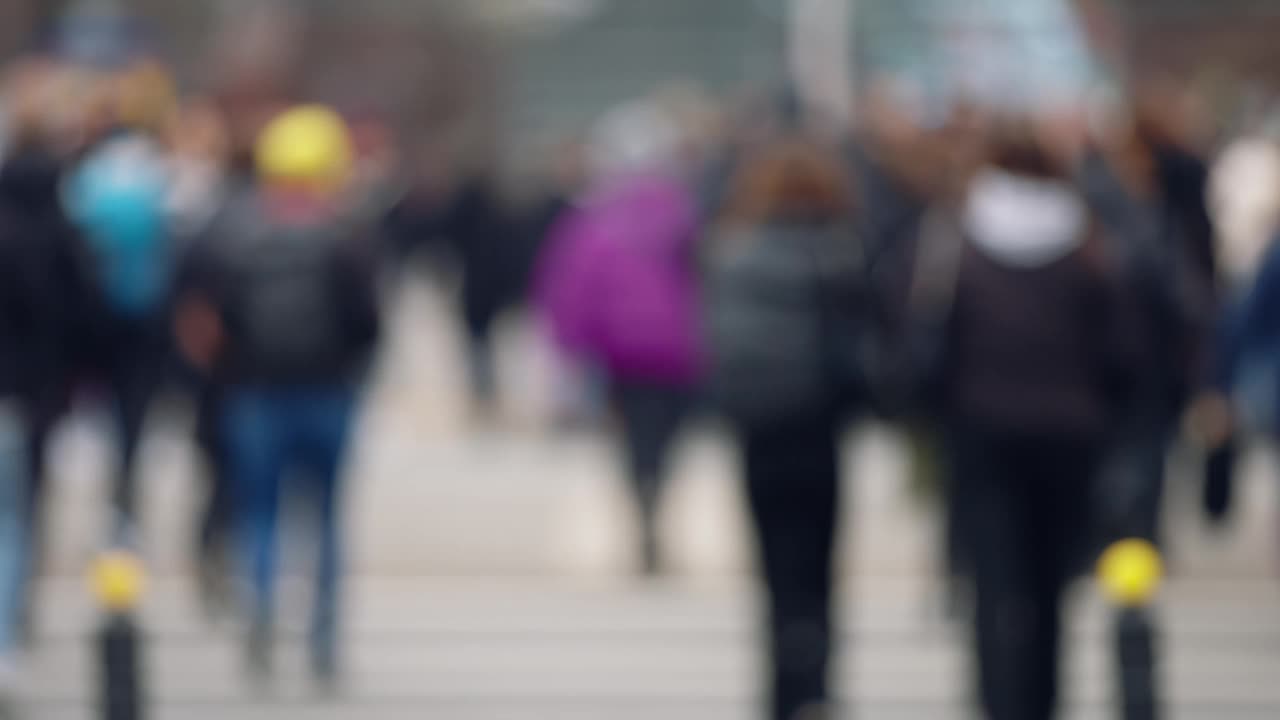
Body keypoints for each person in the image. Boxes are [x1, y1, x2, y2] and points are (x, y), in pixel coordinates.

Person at [923, 119, 1134, 720]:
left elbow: (928, 336)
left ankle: (997, 701)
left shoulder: (957, 238)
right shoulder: (1087, 243)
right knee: (1049, 585)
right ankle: (1042, 701)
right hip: (1070, 431)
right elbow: (1124, 349)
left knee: (991, 582)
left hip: (981, 427)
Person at [175, 105, 380, 683]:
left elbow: (207, 318)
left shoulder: (238, 234)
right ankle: (322, 637)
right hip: (327, 394)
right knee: (325, 519)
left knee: (259, 514)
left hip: (256, 394)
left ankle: (261, 610)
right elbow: (368, 321)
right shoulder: (347, 237)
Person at [704, 135, 866, 720]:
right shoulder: (838, 257)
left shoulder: (733, 254)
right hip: (818, 428)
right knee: (820, 564)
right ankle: (816, 685)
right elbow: (860, 351)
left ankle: (779, 689)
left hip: (760, 429)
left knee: (775, 567)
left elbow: (717, 343)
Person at [536, 100, 703, 575]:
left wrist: (569, 347)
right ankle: (656, 493)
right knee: (668, 437)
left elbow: (569, 287)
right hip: (678, 349)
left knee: (635, 436)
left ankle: (643, 496)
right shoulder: (684, 213)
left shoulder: (594, 219)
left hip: (622, 353)